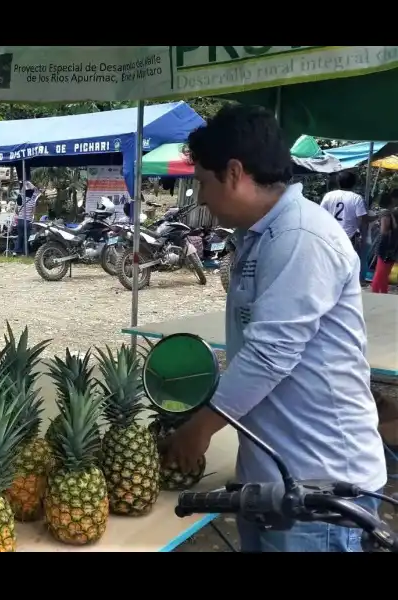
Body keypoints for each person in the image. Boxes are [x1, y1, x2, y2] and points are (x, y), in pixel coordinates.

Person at [162, 104, 386, 553]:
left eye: (202, 183)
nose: (201, 198)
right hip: (274, 479)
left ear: (234, 172)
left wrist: (201, 428)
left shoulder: (301, 236)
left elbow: (270, 354)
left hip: (318, 486)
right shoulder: (260, 235)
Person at [320, 171, 370, 252]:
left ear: (338, 182)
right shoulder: (356, 198)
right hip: (349, 237)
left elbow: (321, 214)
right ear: (354, 183)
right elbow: (363, 220)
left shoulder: (328, 195)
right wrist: (363, 237)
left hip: (331, 236)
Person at [371, 190, 398, 294]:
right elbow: (384, 230)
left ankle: (382, 292)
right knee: (381, 271)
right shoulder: (385, 213)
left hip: (389, 246)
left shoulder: (389, 212)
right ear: (392, 199)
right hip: (386, 246)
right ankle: (377, 292)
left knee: (384, 272)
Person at [13, 181, 37, 257]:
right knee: (26, 237)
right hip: (28, 221)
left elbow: (16, 211)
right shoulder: (33, 201)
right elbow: (33, 213)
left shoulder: (19, 199)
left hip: (19, 220)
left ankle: (16, 251)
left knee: (20, 236)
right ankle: (24, 252)